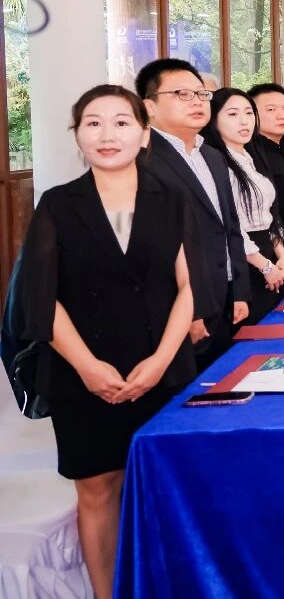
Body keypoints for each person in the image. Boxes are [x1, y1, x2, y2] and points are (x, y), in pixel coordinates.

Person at [14, 85, 196, 599]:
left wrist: (160, 362)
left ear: (143, 133)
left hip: (162, 369)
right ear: (77, 135)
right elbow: (42, 299)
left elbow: (190, 288)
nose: (107, 134)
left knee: (164, 484)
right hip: (81, 372)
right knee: (98, 491)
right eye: (92, 123)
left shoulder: (172, 199)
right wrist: (88, 367)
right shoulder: (58, 204)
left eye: (121, 122)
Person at [135, 59, 248, 365]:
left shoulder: (211, 155)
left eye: (201, 94)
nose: (197, 101)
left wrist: (239, 290)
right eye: (182, 94)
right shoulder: (142, 161)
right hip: (183, 311)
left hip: (225, 298)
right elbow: (154, 249)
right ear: (149, 106)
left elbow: (229, 225)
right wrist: (190, 311)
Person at [201, 89, 284, 324]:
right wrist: (265, 266)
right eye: (232, 114)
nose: (244, 121)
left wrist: (281, 256)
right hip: (246, 259)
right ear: (213, 119)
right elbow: (231, 224)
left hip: (269, 251)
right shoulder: (218, 162)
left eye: (249, 113)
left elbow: (269, 213)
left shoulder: (250, 157)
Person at [247, 83, 284, 295]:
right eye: (271, 109)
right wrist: (280, 256)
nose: (282, 115)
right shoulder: (252, 155)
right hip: (270, 257)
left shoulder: (283, 150)